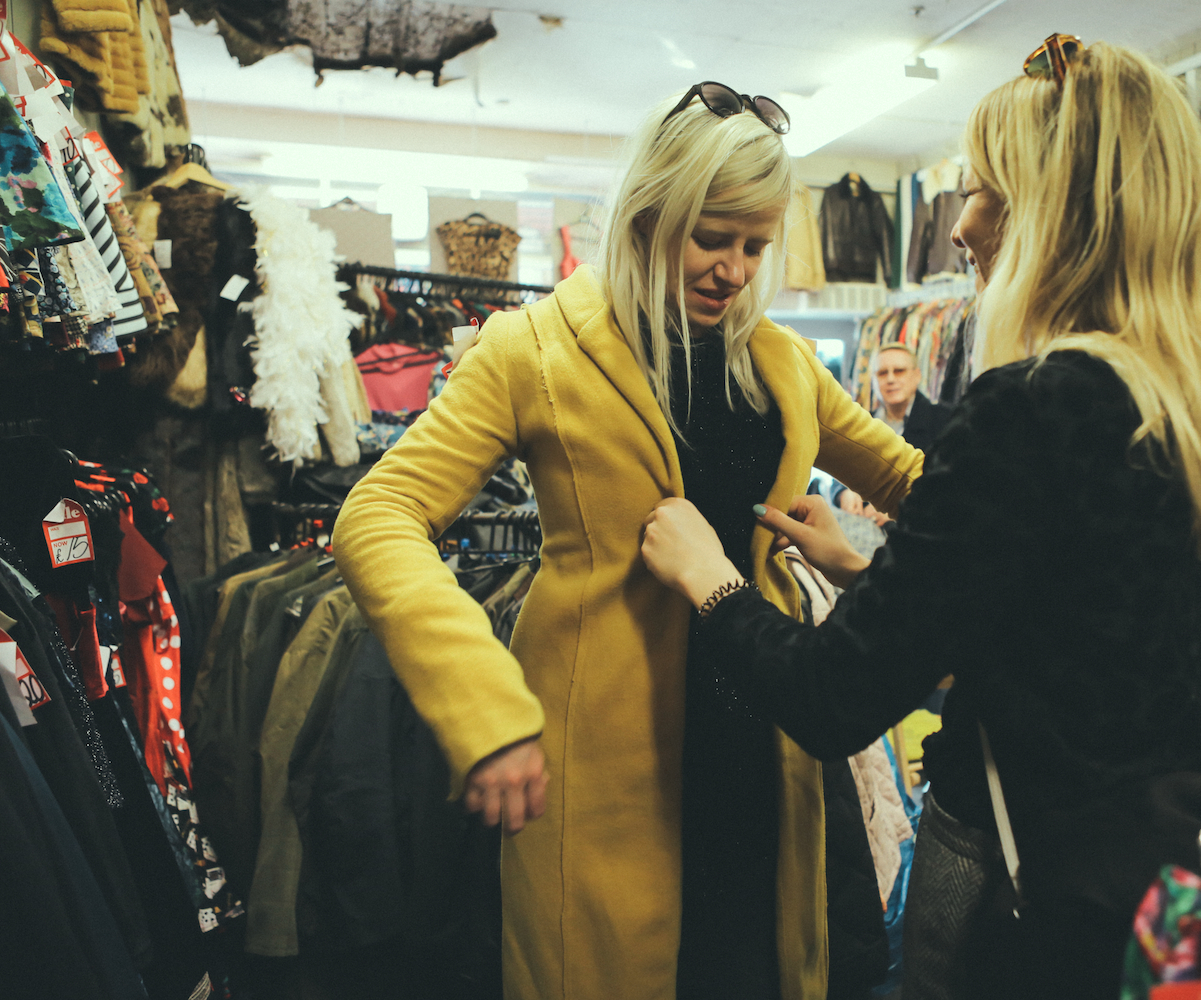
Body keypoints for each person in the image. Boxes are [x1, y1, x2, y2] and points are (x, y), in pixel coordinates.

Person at [641, 39, 1201, 999]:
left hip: (1013, 889)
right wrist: (870, 577)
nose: (961, 227)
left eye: (978, 192)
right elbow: (1068, 639)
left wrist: (708, 576)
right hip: (1138, 876)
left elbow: (828, 701)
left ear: (1049, 215)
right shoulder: (1185, 407)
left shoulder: (1030, 404)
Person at [331, 81, 924, 1000]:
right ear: (651, 215)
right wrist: (483, 706)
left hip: (764, 737)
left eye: (754, 247)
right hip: (601, 758)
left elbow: (923, 488)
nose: (733, 270)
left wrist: (871, 562)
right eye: (711, 237)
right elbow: (378, 514)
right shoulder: (532, 350)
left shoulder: (782, 363)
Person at [836, 342, 954, 521]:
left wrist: (900, 507)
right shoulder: (862, 422)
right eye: (882, 373)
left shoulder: (946, 420)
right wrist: (844, 492)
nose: (890, 379)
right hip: (866, 529)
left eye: (899, 371)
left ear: (917, 376)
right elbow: (838, 467)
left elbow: (952, 484)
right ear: (873, 381)